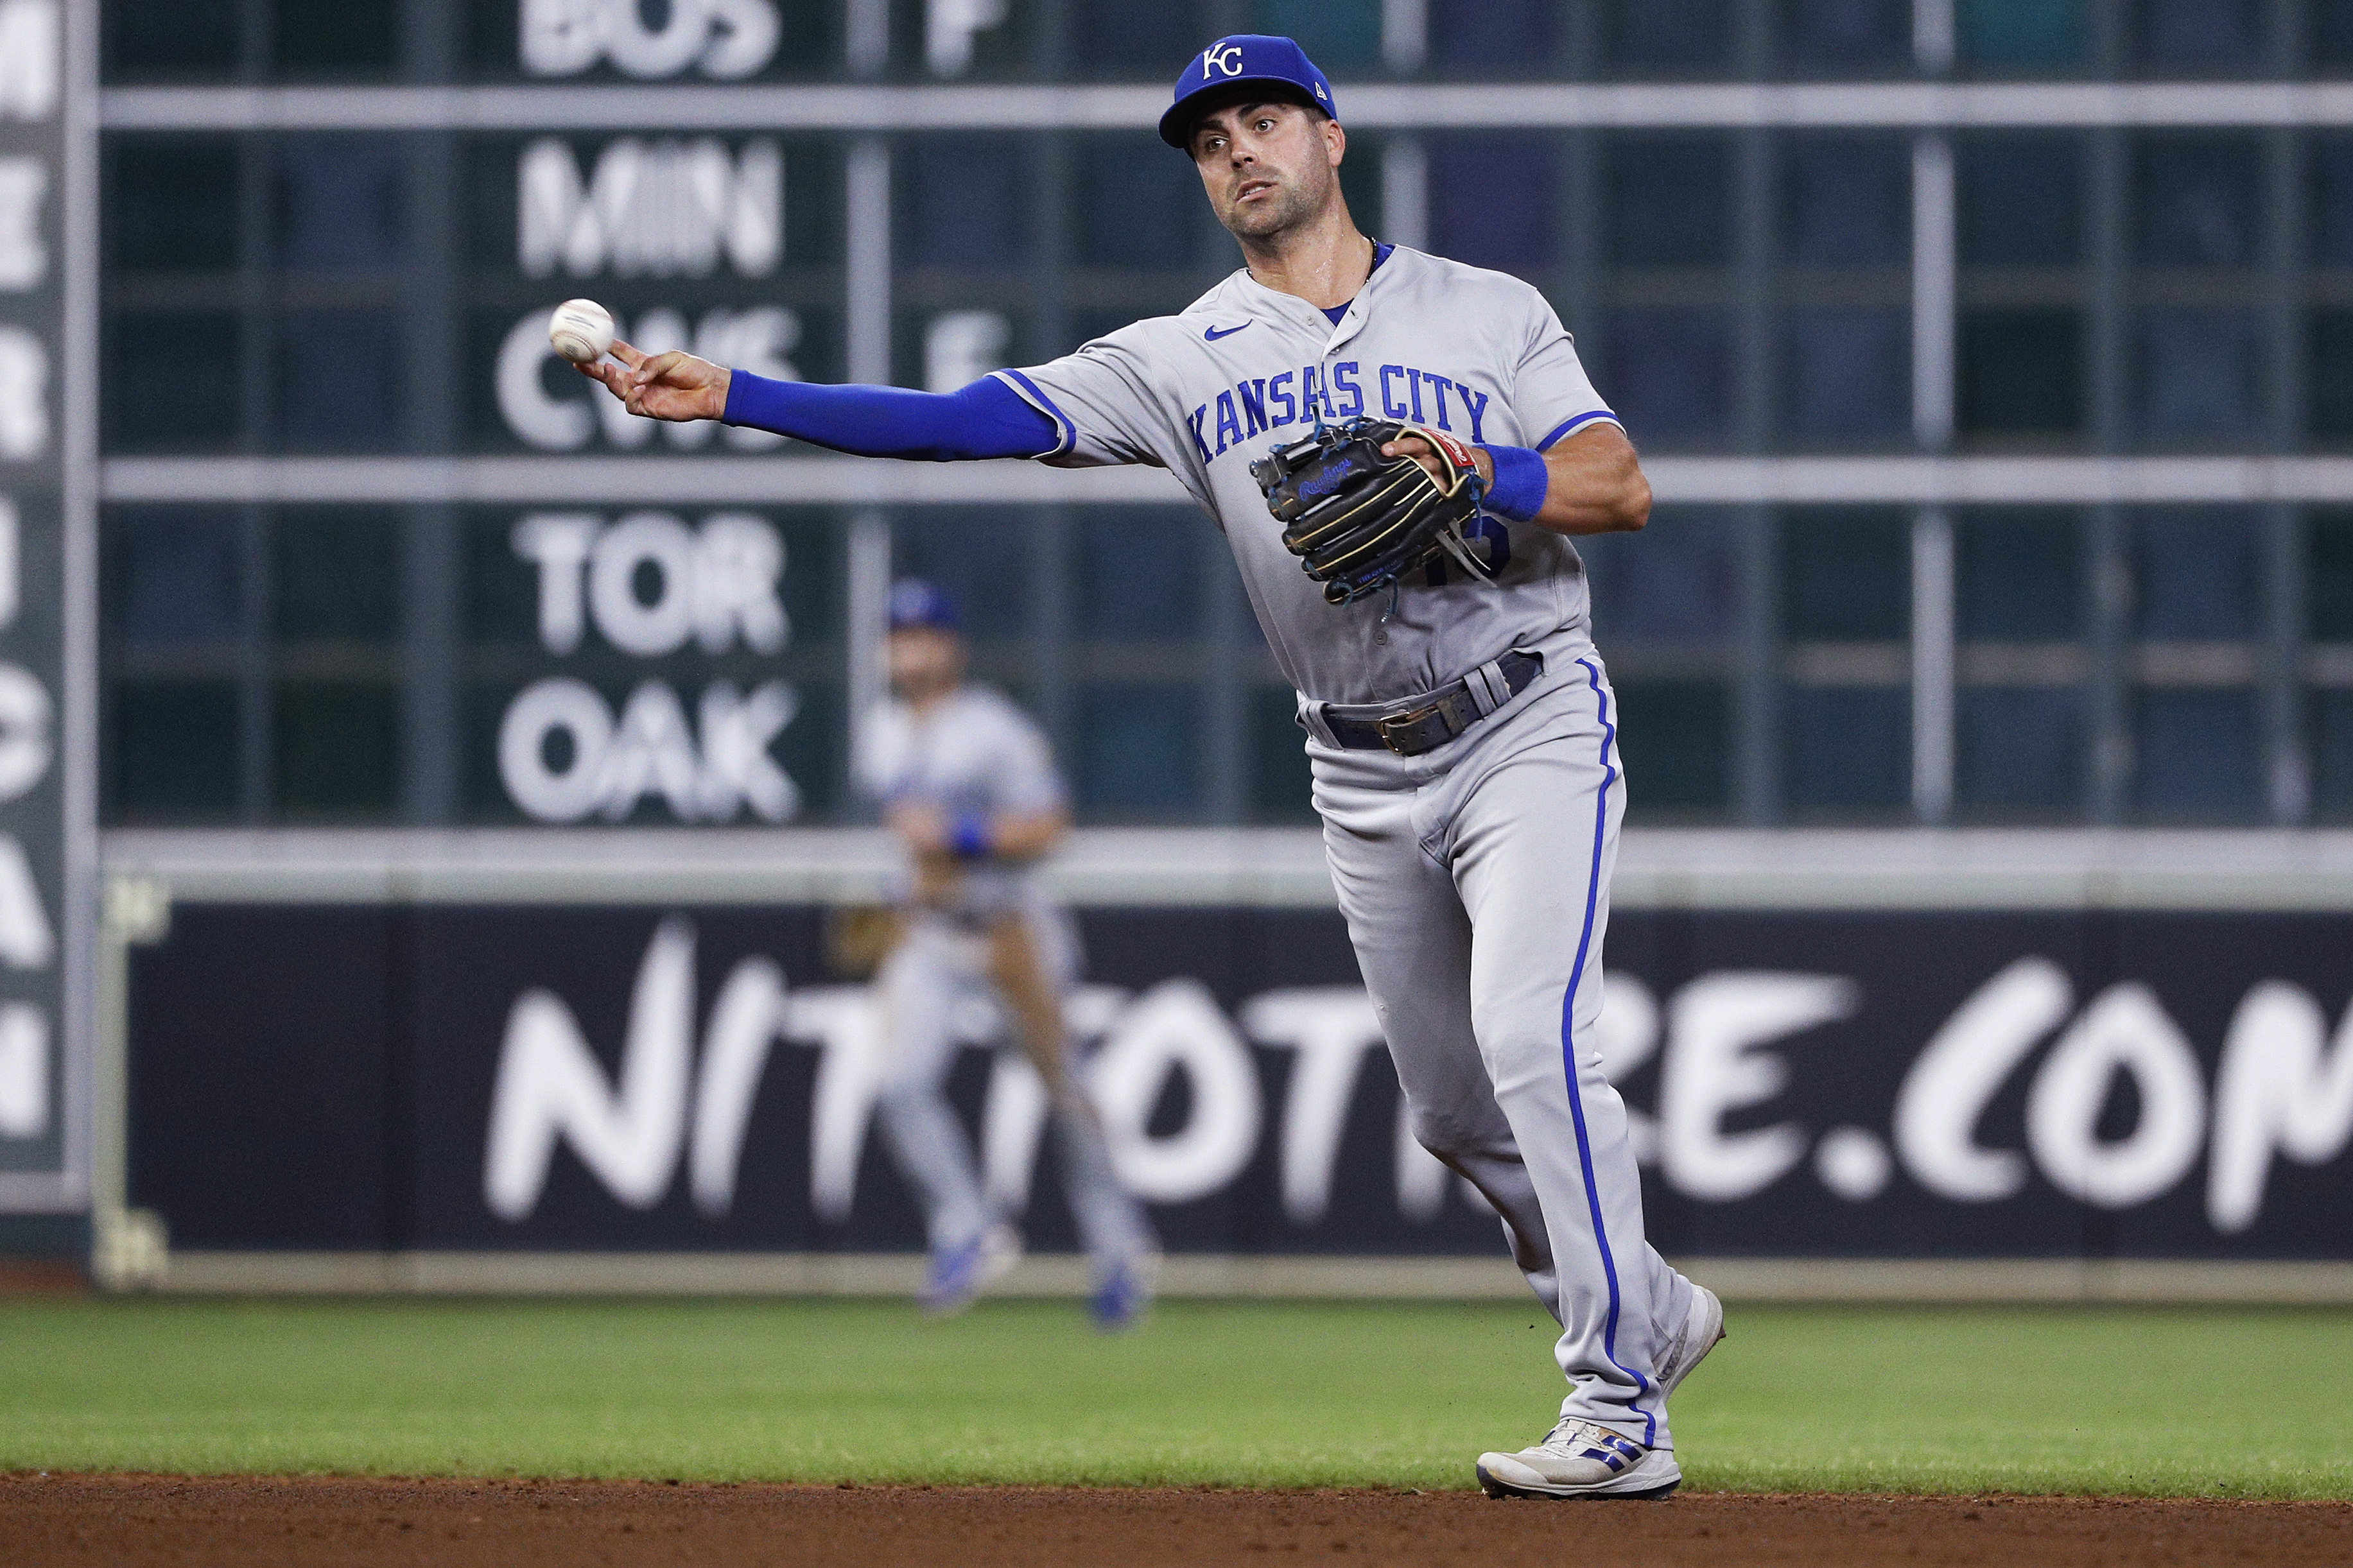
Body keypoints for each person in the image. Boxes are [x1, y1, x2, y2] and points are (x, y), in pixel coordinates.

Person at [577, 33, 1723, 1498]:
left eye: (1260, 119)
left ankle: (1616, 1401)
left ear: (1331, 137)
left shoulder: (1483, 312)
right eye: (1205, 139)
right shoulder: (1181, 358)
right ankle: (1645, 1299)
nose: (1234, 149)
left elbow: (1615, 488)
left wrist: (1473, 468)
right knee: (1451, 1115)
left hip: (1525, 720)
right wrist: (736, 391)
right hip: (1359, 769)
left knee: (1528, 1034)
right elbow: (961, 424)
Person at [853, 577, 1158, 1329]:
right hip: (928, 932)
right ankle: (965, 1226)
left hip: (1008, 928)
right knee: (899, 1087)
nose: (909, 650)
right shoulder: (878, 731)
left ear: (950, 646)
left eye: (921, 635)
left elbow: (1049, 824)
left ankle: (1119, 1250)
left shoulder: (991, 728)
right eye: (897, 637)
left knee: (1063, 1090)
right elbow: (904, 842)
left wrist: (961, 836)